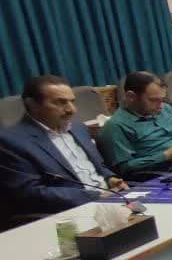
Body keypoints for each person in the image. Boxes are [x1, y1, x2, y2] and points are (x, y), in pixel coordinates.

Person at [0, 75, 127, 216]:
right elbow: (29, 192)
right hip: (68, 211)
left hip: (111, 197)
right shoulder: (11, 141)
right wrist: (95, 196)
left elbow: (98, 165)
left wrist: (110, 178)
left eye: (72, 101)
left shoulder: (77, 127)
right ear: (32, 104)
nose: (71, 109)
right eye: (60, 102)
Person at [98, 71, 172, 179]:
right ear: (131, 96)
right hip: (161, 176)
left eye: (163, 100)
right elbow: (124, 168)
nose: (161, 106)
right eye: (154, 100)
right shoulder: (116, 126)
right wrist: (165, 156)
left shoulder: (167, 109)